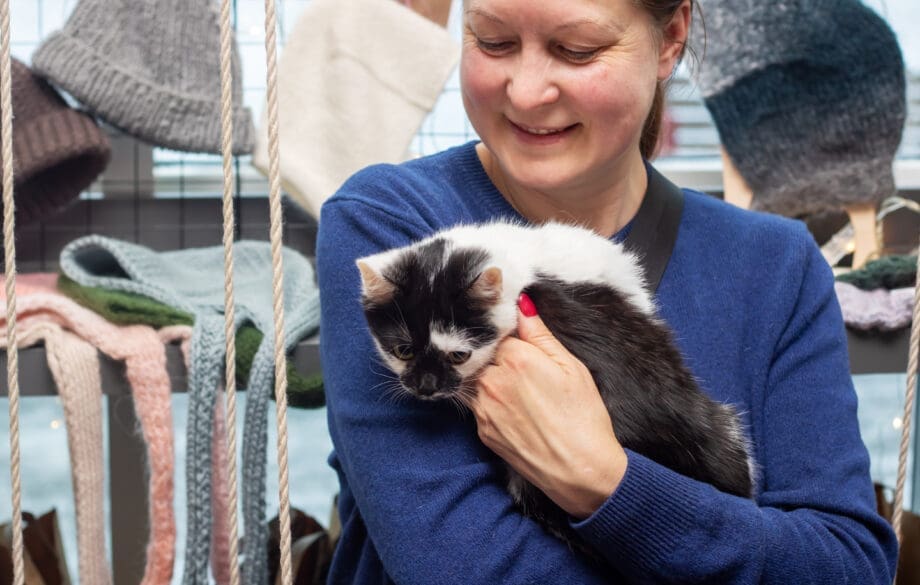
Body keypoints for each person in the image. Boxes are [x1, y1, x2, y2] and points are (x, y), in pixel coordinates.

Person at [315, 0, 899, 582]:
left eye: (577, 50)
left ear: (671, 38)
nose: (527, 93)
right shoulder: (394, 239)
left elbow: (847, 566)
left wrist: (603, 480)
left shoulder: (776, 263)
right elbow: (457, 566)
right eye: (493, 41)